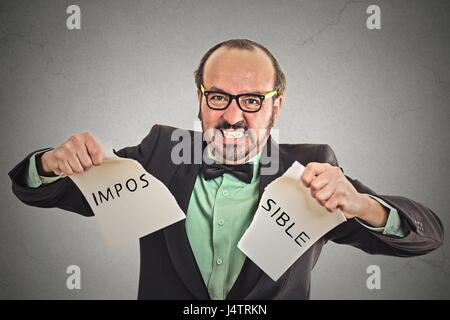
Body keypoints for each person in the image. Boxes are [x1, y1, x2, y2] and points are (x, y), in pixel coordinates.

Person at [9, 39, 444, 300]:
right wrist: (50, 163)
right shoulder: (159, 155)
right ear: (199, 99)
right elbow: (43, 190)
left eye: (251, 100)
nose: (233, 116)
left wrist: (362, 204)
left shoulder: (313, 171)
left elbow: (426, 237)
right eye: (218, 97)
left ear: (276, 105)